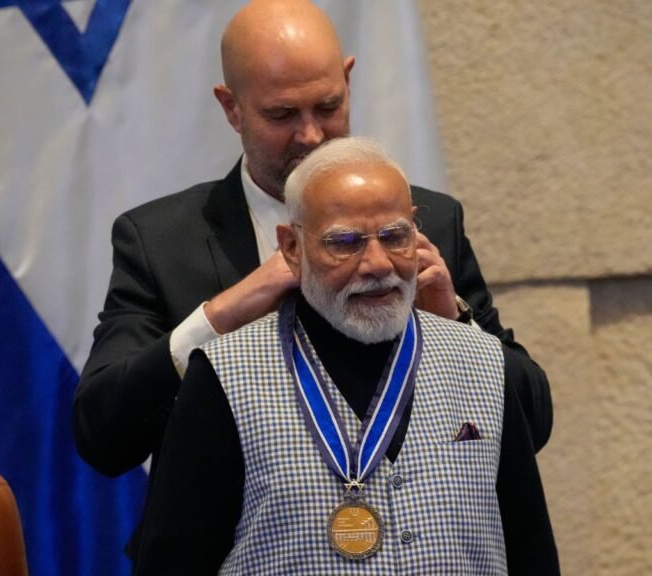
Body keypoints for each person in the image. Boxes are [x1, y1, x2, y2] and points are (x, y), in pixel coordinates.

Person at [74, 0, 550, 478]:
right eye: (281, 114)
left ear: (348, 82)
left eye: (328, 106)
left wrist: (453, 322)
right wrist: (222, 315)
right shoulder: (161, 242)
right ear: (231, 108)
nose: (310, 135)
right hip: (237, 544)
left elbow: (533, 424)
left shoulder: (429, 222)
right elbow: (102, 437)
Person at [134, 137, 560, 574]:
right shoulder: (223, 378)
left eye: (395, 236)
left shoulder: (485, 362)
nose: (377, 264)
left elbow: (532, 552)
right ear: (292, 248)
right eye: (345, 242)